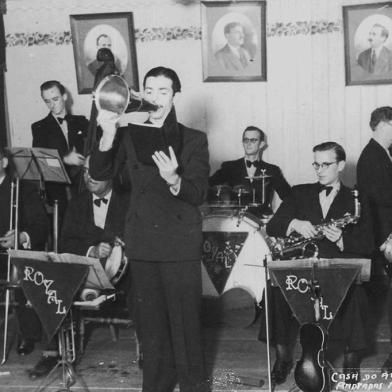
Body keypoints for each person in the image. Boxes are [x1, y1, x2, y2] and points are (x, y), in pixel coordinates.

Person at [89, 66, 210, 392]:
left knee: (186, 332)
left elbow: (199, 192)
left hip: (179, 247)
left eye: (164, 91)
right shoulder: (128, 135)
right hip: (141, 244)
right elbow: (99, 175)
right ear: (140, 93)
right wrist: (108, 134)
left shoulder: (193, 139)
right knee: (151, 331)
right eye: (150, 90)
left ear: (175, 95)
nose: (156, 98)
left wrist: (175, 180)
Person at [260, 142, 372, 385]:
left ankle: (351, 361)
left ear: (341, 165)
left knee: (358, 295)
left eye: (326, 164)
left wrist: (342, 239)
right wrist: (295, 224)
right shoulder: (300, 192)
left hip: (337, 270)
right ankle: (282, 356)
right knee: (274, 289)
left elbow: (367, 242)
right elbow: (273, 226)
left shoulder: (356, 199)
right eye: (316, 164)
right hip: (301, 267)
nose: (319, 170)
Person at [27, 155, 131, 379]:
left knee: (145, 283)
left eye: (94, 171)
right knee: (52, 281)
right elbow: (66, 242)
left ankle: (150, 352)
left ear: (110, 173)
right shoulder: (77, 202)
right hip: (85, 271)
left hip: (123, 275)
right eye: (84, 171)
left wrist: (115, 246)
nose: (88, 176)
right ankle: (53, 352)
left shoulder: (128, 201)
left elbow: (138, 237)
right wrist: (92, 250)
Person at [0, 146, 49, 357]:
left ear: (3, 163)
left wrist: (20, 236)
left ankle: (28, 335)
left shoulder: (23, 188)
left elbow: (41, 225)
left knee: (21, 271)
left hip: (16, 253)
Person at [357, 106, 392, 372]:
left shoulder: (382, 153)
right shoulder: (372, 156)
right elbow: (380, 198)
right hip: (385, 235)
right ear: (383, 124)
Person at [31, 80, 89, 221]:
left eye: (55, 99)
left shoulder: (82, 121)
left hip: (82, 182)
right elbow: (40, 160)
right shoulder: (39, 127)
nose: (52, 105)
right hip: (58, 188)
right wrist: (64, 159)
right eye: (47, 101)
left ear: (64, 96)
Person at [209, 125, 291, 218]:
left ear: (261, 144)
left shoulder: (272, 170)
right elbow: (206, 187)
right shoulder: (229, 167)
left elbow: (289, 198)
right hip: (235, 220)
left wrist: (279, 217)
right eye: (246, 140)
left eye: (253, 140)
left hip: (262, 220)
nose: (248, 144)